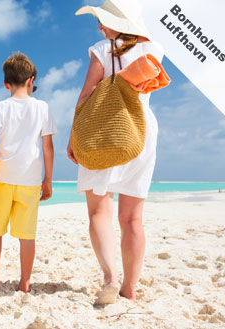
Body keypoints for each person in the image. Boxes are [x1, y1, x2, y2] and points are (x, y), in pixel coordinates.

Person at [71, 0, 165, 304]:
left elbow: (87, 93)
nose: (99, 26)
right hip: (140, 133)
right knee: (133, 219)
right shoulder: (155, 50)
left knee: (99, 209)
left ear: (121, 23)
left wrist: (75, 136)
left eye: (104, 20)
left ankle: (111, 276)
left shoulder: (102, 49)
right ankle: (131, 288)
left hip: (104, 128)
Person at [0, 52, 56, 293]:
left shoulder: (1, 107)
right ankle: (25, 282)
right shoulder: (42, 107)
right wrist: (47, 179)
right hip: (29, 181)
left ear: (6, 84)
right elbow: (48, 147)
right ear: (32, 80)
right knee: (26, 235)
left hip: (1, 179)